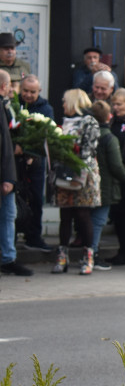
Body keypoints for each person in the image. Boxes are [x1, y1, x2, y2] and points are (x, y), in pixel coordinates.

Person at [52, 89, 102, 275]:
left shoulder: (89, 121)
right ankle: (62, 256)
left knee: (83, 215)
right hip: (64, 173)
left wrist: (69, 149)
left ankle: (88, 256)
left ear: (74, 102)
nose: (63, 105)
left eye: (65, 101)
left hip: (83, 174)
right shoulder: (63, 121)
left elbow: (88, 149)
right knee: (65, 215)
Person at [89, 100, 125, 271]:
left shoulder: (90, 133)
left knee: (89, 219)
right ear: (108, 116)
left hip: (92, 183)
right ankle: (93, 253)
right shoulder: (108, 137)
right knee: (98, 221)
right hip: (106, 185)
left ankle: (89, 253)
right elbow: (115, 165)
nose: (116, 107)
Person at [16, 75, 54, 253]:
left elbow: (46, 135)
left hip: (36, 161)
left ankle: (34, 236)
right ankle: (13, 236)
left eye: (32, 92)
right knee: (15, 200)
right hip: (15, 162)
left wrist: (29, 152)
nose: (28, 95)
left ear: (39, 91)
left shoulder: (46, 109)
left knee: (36, 199)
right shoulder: (14, 105)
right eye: (25, 91)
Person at [0, 71, 29, 276]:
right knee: (8, 215)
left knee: (9, 215)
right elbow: (3, 144)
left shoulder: (7, 106)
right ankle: (7, 258)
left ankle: (7, 257)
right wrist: (8, 177)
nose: (12, 89)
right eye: (9, 85)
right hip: (4, 173)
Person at [108, 88, 125, 265]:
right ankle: (122, 251)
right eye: (114, 104)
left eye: (119, 104)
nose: (115, 107)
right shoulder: (112, 121)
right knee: (118, 215)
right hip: (114, 173)